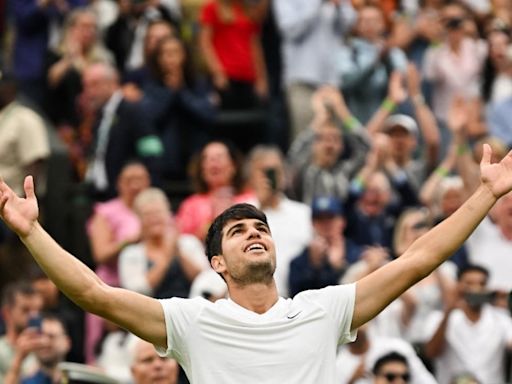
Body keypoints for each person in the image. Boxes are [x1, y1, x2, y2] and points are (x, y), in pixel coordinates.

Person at [0, 143, 511, 383]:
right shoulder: (190, 321)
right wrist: (31, 231)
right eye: (239, 231)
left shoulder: (324, 309)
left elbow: (417, 260)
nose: (255, 234)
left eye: (261, 228)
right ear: (218, 262)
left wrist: (485, 195)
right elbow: (93, 293)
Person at [423, 264, 512, 384]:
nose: (476, 289)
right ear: (458, 285)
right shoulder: (438, 317)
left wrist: (508, 302)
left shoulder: (502, 319)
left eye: (482, 284)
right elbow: (431, 353)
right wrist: (448, 311)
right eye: (469, 284)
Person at [4, 313, 71, 384]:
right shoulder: (28, 380)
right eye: (40, 336)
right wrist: (19, 358)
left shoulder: (77, 377)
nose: (44, 341)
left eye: (51, 336)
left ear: (67, 342)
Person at [0, 281, 43, 382]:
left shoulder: (46, 347)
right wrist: (19, 358)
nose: (33, 316)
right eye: (26, 310)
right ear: (7, 313)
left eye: (37, 310)